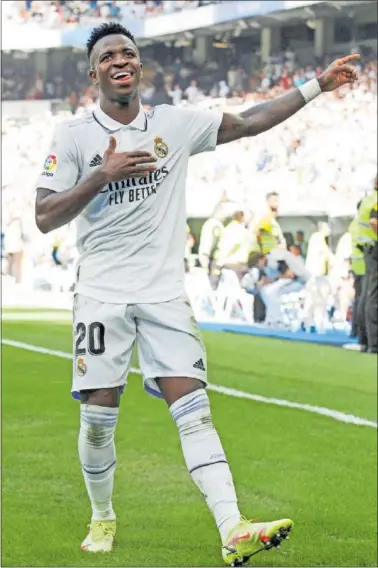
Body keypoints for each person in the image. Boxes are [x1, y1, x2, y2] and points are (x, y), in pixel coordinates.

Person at [34, 21, 359, 565]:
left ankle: (232, 528)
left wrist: (316, 87)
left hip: (164, 295)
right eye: (109, 55)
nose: (121, 61)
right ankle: (103, 515)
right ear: (93, 73)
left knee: (195, 410)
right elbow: (44, 215)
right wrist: (101, 175)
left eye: (129, 54)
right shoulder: (72, 136)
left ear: (140, 66)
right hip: (101, 295)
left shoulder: (174, 124)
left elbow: (250, 121)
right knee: (98, 419)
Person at [356, 178, 378, 353]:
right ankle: (374, 343)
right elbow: (374, 222)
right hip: (375, 248)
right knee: (373, 296)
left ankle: (365, 339)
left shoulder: (368, 199)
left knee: (367, 294)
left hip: (368, 249)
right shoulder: (376, 200)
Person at [348, 201, 365, 338]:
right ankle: (360, 331)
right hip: (364, 264)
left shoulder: (354, 223)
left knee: (359, 299)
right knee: (363, 300)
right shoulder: (361, 223)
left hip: (357, 264)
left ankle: (355, 329)